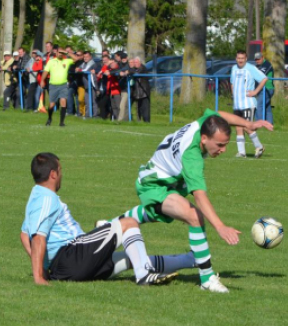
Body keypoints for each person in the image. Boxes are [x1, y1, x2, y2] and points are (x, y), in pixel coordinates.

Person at [101, 109, 273, 293]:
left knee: (158, 212)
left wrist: (247, 124)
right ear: (204, 139)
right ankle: (207, 278)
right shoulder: (192, 157)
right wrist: (220, 227)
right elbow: (199, 196)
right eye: (220, 145)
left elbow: (219, 114)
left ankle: (110, 226)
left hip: (162, 178)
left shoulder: (205, 123)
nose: (223, 150)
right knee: (194, 216)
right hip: (154, 184)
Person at [21, 152, 195, 285]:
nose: (61, 176)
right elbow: (38, 238)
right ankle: (144, 275)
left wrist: (46, 268)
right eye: (60, 171)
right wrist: (39, 276)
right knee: (129, 223)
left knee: (133, 258)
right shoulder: (47, 198)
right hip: (72, 254)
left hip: (67, 269)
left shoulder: (35, 197)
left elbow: (24, 235)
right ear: (53, 174)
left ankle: (191, 260)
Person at [230, 50, 268, 158]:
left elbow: (264, 79)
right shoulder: (234, 69)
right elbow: (232, 82)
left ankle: (259, 146)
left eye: (242, 58)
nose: (240, 60)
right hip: (238, 104)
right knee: (238, 126)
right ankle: (242, 152)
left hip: (248, 103)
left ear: (246, 59)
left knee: (247, 126)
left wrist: (255, 92)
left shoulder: (250, 68)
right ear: (236, 59)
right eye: (238, 58)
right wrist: (234, 95)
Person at [41, 47, 78, 127]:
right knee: (51, 105)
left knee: (63, 102)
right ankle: (49, 118)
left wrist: (67, 52)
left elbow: (76, 59)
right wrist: (42, 80)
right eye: (59, 52)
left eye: (62, 53)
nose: (60, 54)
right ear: (56, 53)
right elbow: (46, 71)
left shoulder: (66, 61)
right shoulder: (51, 61)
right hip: (53, 85)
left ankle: (61, 122)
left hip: (63, 85)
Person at [254, 52, 274, 124]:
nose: (257, 61)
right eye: (256, 59)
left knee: (259, 106)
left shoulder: (267, 64)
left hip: (267, 89)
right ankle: (270, 125)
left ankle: (259, 125)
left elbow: (260, 76)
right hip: (262, 89)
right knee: (267, 108)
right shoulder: (257, 66)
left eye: (258, 59)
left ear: (263, 58)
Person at [130, 57, 151, 122]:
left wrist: (129, 71)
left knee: (145, 108)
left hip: (144, 92)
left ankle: (147, 122)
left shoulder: (143, 68)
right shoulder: (134, 69)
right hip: (137, 92)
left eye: (136, 62)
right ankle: (138, 120)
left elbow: (136, 74)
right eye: (134, 62)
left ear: (140, 62)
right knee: (139, 108)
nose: (135, 64)